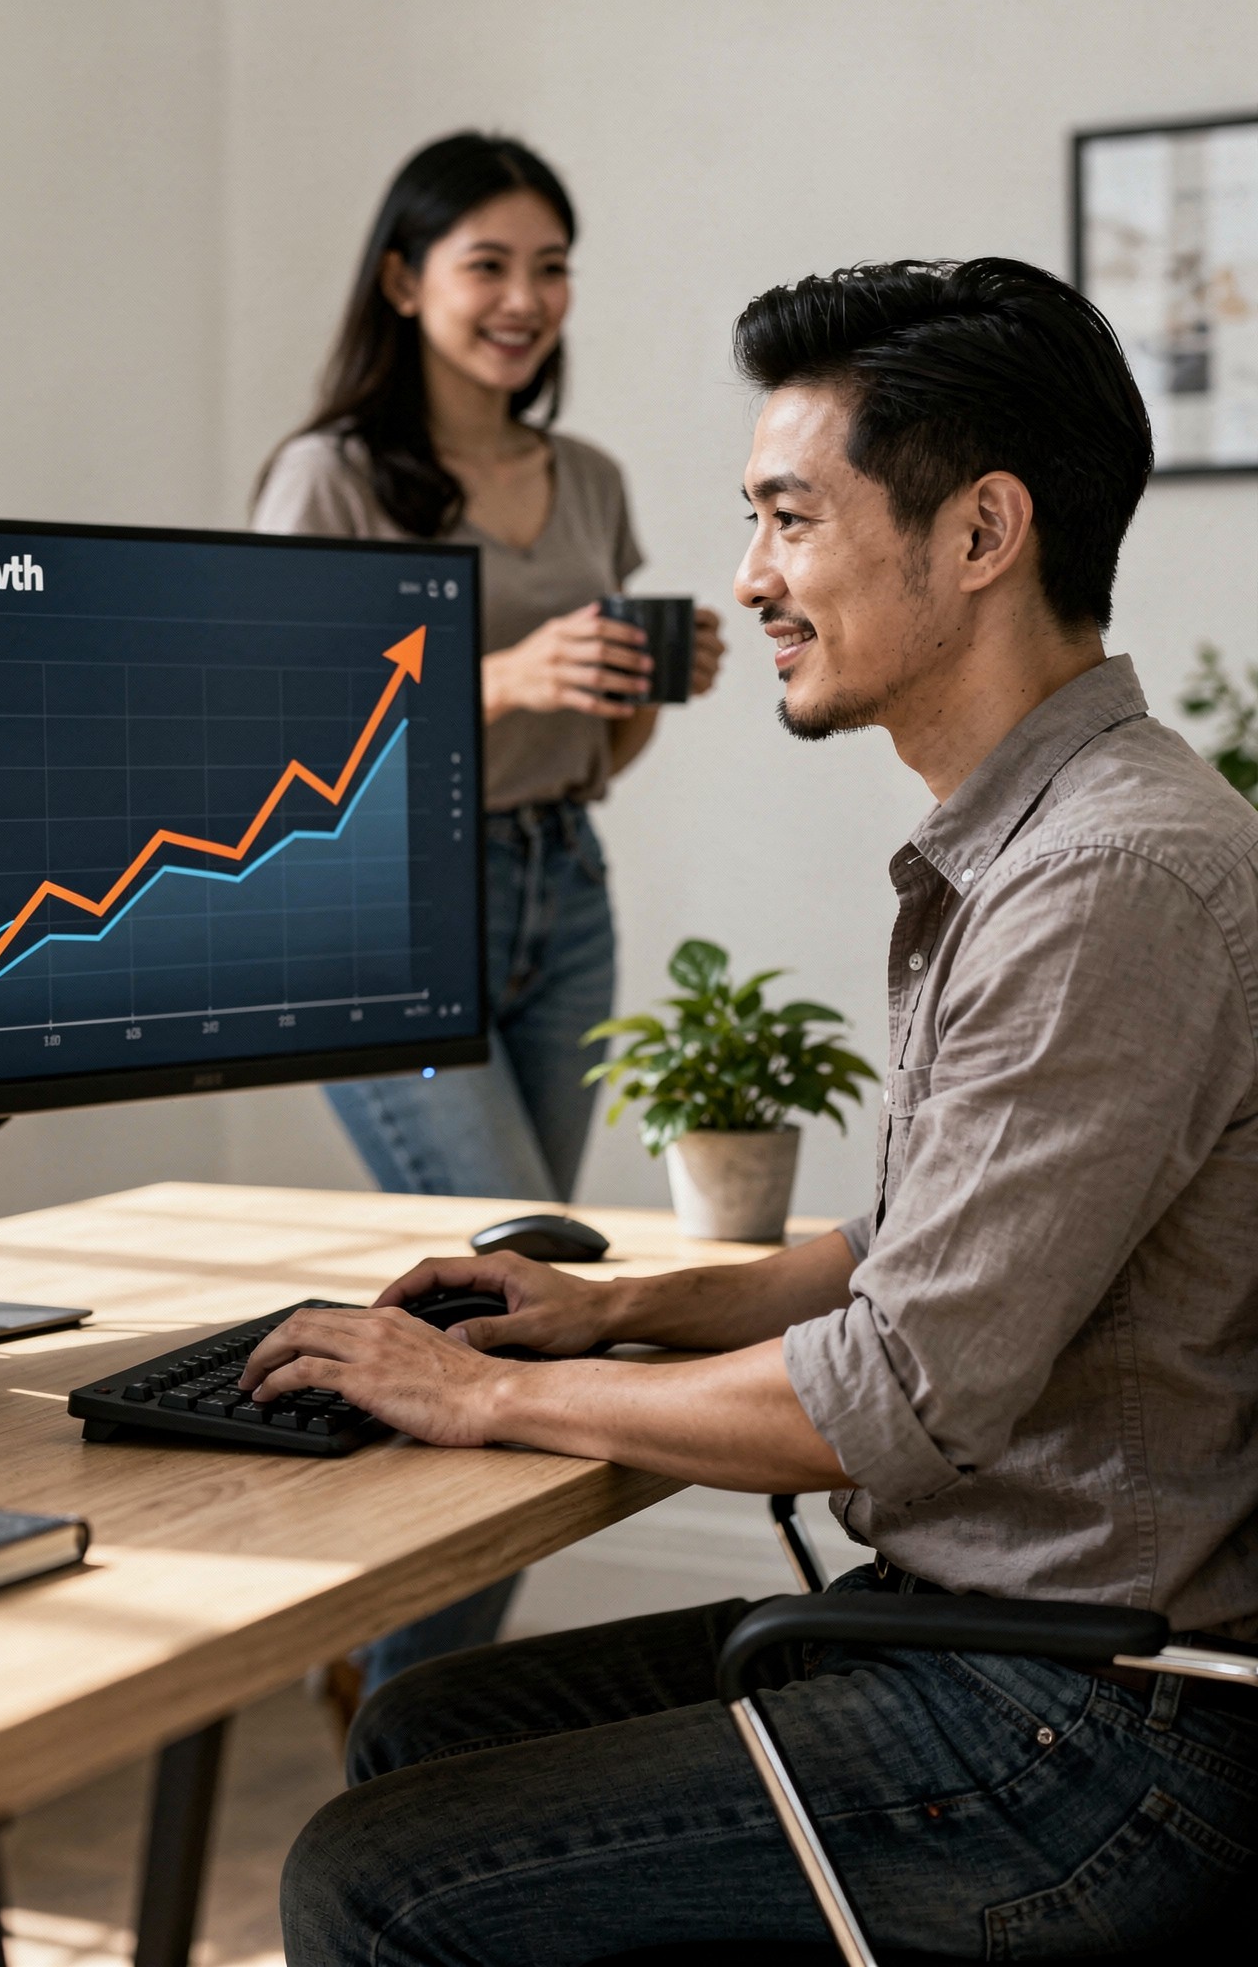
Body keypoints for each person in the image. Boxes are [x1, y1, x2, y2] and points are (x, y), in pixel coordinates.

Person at [256, 256, 1258, 1960]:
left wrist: (482, 1402)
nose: (749, 579)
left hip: (1085, 1735)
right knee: (427, 1731)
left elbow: (894, 1395)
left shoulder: (1107, 881)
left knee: (377, 1878)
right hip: (996, 1648)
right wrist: (614, 1310)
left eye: (791, 519)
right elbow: (908, 1253)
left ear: (980, 533)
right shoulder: (1046, 836)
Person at [253, 131, 722, 1699]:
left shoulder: (586, 480)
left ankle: (396, 1695)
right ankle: (404, 1716)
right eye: (487, 265)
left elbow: (597, 745)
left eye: (550, 267)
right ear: (404, 280)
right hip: (379, 909)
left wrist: (641, 688)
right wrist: (509, 673)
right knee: (501, 1322)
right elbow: (274, 735)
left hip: (556, 886)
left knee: (518, 1319)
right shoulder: (327, 476)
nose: (525, 300)